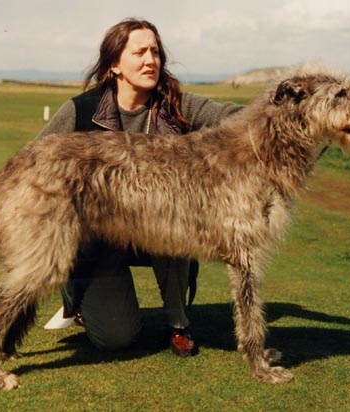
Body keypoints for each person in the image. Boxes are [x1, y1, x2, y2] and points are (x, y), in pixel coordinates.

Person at [37, 18, 243, 357]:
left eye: (155, 51)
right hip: (99, 239)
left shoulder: (179, 105)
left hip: (160, 232)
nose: (151, 60)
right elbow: (37, 163)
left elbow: (238, 117)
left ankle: (178, 322)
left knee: (175, 217)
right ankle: (80, 301)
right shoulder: (80, 111)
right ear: (115, 64)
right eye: (140, 52)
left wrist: (294, 111)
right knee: (117, 339)